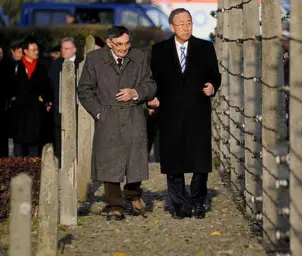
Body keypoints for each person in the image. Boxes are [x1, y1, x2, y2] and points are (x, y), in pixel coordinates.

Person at [78, 25, 156, 221]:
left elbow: (150, 84)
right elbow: (85, 90)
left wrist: (136, 93)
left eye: (127, 43)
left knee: (134, 159)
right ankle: (114, 205)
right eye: (119, 44)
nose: (124, 48)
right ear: (109, 43)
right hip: (108, 116)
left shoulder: (139, 57)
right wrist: (99, 113)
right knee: (109, 161)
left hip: (133, 115)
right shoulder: (95, 59)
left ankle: (133, 195)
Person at [150, 8, 221, 219]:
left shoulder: (205, 47)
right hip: (170, 111)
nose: (186, 27)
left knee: (200, 159)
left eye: (189, 22)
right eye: (181, 23)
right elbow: (153, 79)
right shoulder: (159, 50)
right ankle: (179, 204)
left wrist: (212, 86)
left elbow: (214, 75)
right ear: (172, 27)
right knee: (173, 159)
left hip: (197, 109)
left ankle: (198, 201)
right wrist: (152, 99)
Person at [10, 37, 51, 157]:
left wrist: (44, 98)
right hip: (19, 112)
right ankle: (19, 172)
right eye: (33, 50)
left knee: (34, 145)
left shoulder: (41, 68)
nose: (36, 52)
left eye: (37, 49)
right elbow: (9, 86)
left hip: (35, 112)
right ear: (25, 51)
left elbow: (47, 88)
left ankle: (34, 173)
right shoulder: (16, 67)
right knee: (19, 145)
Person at [48, 37, 84, 163]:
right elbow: (50, 85)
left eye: (67, 48)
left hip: (78, 111)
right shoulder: (55, 64)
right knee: (59, 144)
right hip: (59, 111)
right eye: (62, 48)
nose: (64, 51)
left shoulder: (82, 64)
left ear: (74, 49)